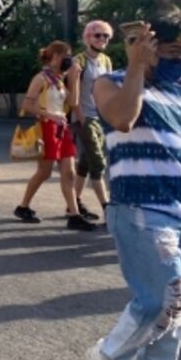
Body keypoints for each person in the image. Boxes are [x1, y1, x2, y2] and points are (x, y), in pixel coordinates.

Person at [85, 8, 181, 360]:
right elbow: (121, 118)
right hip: (139, 207)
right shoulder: (111, 82)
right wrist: (136, 65)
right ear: (149, 47)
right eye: (173, 50)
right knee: (163, 295)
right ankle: (110, 354)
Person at [13, 41, 96, 231]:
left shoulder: (58, 80)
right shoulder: (41, 78)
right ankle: (23, 206)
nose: (69, 59)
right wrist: (50, 115)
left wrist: (74, 79)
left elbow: (73, 102)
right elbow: (27, 105)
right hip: (47, 127)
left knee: (69, 172)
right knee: (44, 172)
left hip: (61, 129)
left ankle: (74, 215)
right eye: (66, 55)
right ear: (56, 56)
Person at [68, 20, 113, 221]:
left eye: (106, 36)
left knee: (85, 163)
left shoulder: (106, 61)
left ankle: (74, 203)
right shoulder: (78, 61)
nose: (102, 39)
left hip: (101, 117)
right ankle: (108, 209)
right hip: (84, 118)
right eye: (98, 35)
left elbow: (110, 90)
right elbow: (73, 96)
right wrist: (81, 118)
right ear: (87, 38)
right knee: (98, 162)